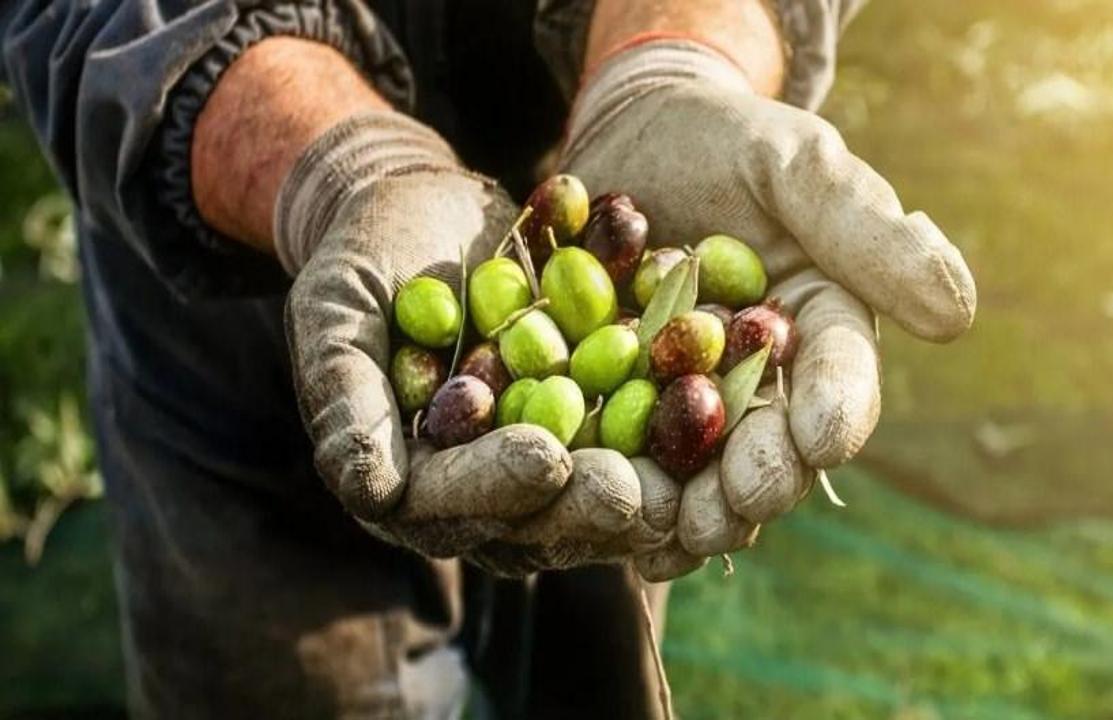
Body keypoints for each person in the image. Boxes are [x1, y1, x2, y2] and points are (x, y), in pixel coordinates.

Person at [0, 1, 975, 717]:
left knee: (595, 629)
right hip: (228, 279)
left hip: (590, 178)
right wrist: (340, 171)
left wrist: (675, 56)